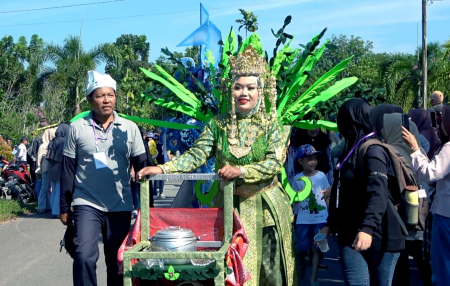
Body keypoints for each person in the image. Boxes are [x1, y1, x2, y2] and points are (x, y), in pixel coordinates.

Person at [138, 45, 296, 286]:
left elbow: (274, 163)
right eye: (238, 86)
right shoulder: (216, 125)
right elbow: (196, 155)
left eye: (251, 87)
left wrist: (240, 170)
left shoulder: (272, 125)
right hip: (229, 209)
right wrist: (162, 169)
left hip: (266, 210)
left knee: (270, 275)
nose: (244, 93)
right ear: (229, 90)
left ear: (260, 91)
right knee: (227, 270)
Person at [60, 70, 148, 286]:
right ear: (90, 99)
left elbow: (143, 166)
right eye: (100, 95)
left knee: (116, 260)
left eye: (111, 95)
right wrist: (64, 207)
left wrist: (146, 207)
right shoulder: (77, 128)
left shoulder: (130, 128)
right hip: (86, 202)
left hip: (119, 203)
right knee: (84, 256)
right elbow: (68, 169)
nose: (106, 100)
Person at [321, 99, 405, 286]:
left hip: (380, 235)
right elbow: (342, 192)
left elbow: (378, 194)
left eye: (341, 118)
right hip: (349, 233)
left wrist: (367, 229)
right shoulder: (350, 149)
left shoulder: (373, 150)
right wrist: (330, 224)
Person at [373, 112, 432, 286]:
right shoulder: (420, 154)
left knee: (400, 269)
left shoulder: (388, 154)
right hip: (420, 219)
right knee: (424, 268)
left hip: (398, 221)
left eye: (385, 127)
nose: (383, 131)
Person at [402, 105, 450, 286]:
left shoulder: (449, 148)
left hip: (446, 214)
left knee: (443, 265)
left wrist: (414, 148)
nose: (437, 126)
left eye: (441, 120)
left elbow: (429, 173)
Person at [293, 144, 330, 285]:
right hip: (303, 219)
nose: (313, 162)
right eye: (309, 159)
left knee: (317, 249)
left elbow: (327, 195)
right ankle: (301, 265)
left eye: (315, 158)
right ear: (300, 161)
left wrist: (330, 217)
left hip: (320, 218)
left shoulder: (321, 176)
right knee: (301, 248)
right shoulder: (297, 179)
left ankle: (313, 278)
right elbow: (294, 199)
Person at [46, 123, 70, 218]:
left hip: (51, 168)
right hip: (60, 168)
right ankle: (57, 211)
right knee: (59, 192)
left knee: (54, 191)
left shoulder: (52, 141)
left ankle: (54, 210)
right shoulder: (64, 141)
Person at [36, 128, 56, 214]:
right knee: (46, 188)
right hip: (47, 169)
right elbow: (39, 159)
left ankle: (45, 206)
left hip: (46, 168)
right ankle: (43, 206)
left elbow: (39, 159)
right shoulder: (46, 145)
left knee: (47, 188)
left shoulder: (47, 144)